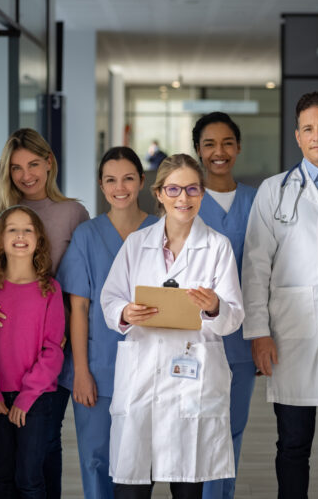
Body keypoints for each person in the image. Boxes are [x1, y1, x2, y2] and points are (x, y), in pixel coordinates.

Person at [100, 154, 244, 499]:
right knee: (131, 488)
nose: (184, 198)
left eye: (192, 189)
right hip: (143, 376)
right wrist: (125, 312)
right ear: (160, 193)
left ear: (202, 194)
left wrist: (213, 306)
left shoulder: (217, 247)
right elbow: (110, 299)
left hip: (191, 381)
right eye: (174, 189)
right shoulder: (137, 244)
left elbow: (234, 315)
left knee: (188, 487)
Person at [0, 128, 89, 498]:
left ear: (49, 163)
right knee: (10, 461)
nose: (26, 174)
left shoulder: (73, 212)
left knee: (46, 441)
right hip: (2, 352)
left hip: (53, 346)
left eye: (34, 163)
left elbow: (83, 278)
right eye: (16, 167)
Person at [242, 91, 318, 499]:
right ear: (297, 135)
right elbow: (255, 267)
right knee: (292, 446)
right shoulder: (274, 191)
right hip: (291, 335)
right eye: (309, 128)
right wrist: (258, 332)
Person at [56, 147, 158, 499]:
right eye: (111, 180)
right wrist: (81, 371)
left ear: (142, 182)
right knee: (96, 457)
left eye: (129, 178)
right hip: (99, 367)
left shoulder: (160, 232)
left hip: (151, 367)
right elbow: (79, 309)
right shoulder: (86, 236)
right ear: (101, 185)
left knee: (141, 462)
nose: (120, 187)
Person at [0, 205, 65, 497]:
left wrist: (27, 396)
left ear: (39, 240)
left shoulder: (50, 289)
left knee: (30, 477)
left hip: (37, 399)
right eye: (12, 229)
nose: (20, 235)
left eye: (28, 229)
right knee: (2, 475)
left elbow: (53, 350)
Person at [191, 111, 257, 499]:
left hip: (240, 341)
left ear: (238, 147)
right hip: (192, 339)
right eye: (210, 144)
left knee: (231, 430)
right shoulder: (186, 199)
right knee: (195, 429)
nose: (219, 152)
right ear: (198, 150)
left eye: (227, 143)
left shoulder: (257, 200)